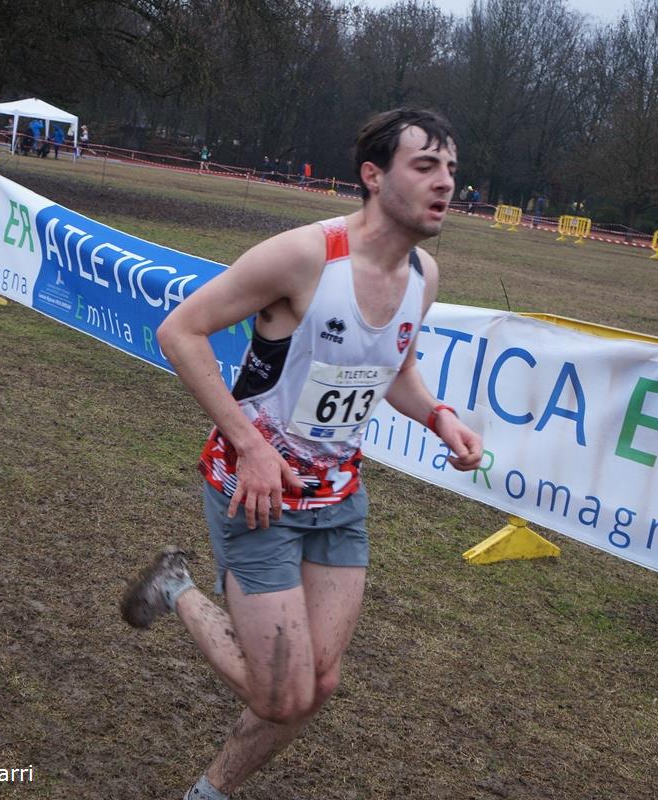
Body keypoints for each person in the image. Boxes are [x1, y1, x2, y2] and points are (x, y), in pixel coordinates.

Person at [120, 107, 483, 800]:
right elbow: (180, 332)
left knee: (318, 682)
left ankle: (208, 793)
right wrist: (250, 445)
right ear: (373, 176)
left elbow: (395, 368)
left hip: (339, 497)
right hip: (257, 491)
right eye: (425, 166)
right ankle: (177, 587)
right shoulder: (304, 256)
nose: (446, 183)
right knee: (281, 696)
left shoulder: (425, 275)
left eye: (451, 169)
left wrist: (440, 417)